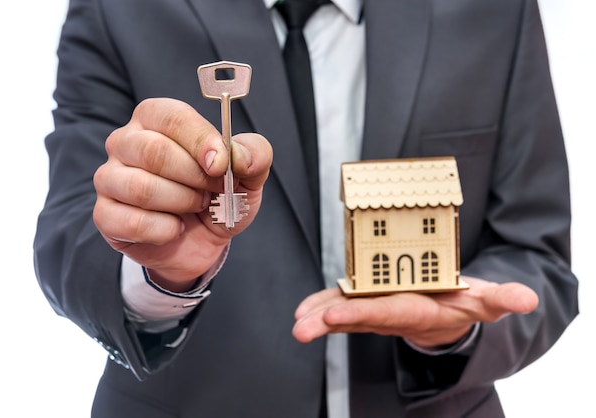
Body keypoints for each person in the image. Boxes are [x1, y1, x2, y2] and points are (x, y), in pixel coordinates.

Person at [33, 0, 579, 417]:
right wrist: (160, 276)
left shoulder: (497, 11)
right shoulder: (119, 9)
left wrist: (454, 336)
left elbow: (538, 260)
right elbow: (68, 236)